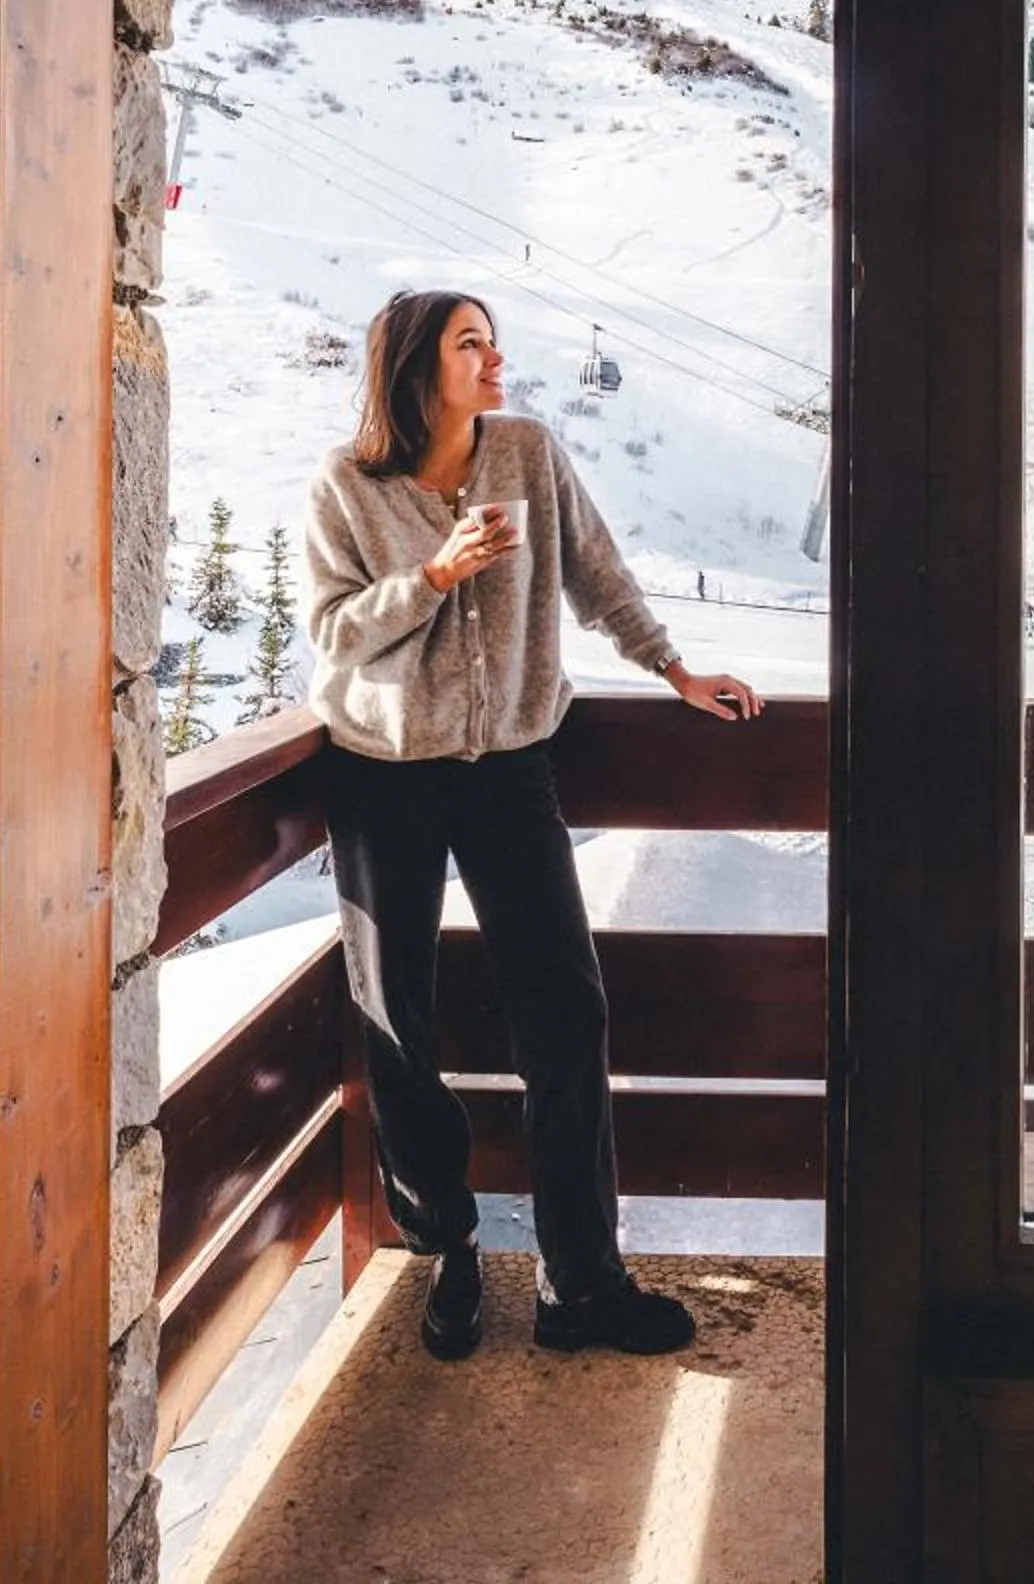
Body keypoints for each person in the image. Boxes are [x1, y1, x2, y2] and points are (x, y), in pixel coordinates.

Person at [303, 290, 762, 1362]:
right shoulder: (346, 485)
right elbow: (332, 634)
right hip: (385, 773)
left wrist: (673, 668)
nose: (495, 357)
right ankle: (448, 1246)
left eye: (491, 339)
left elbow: (596, 572)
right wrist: (433, 576)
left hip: (510, 766)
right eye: (470, 343)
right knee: (398, 1019)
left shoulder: (527, 451)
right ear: (416, 369)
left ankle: (579, 1281)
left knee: (566, 1007)